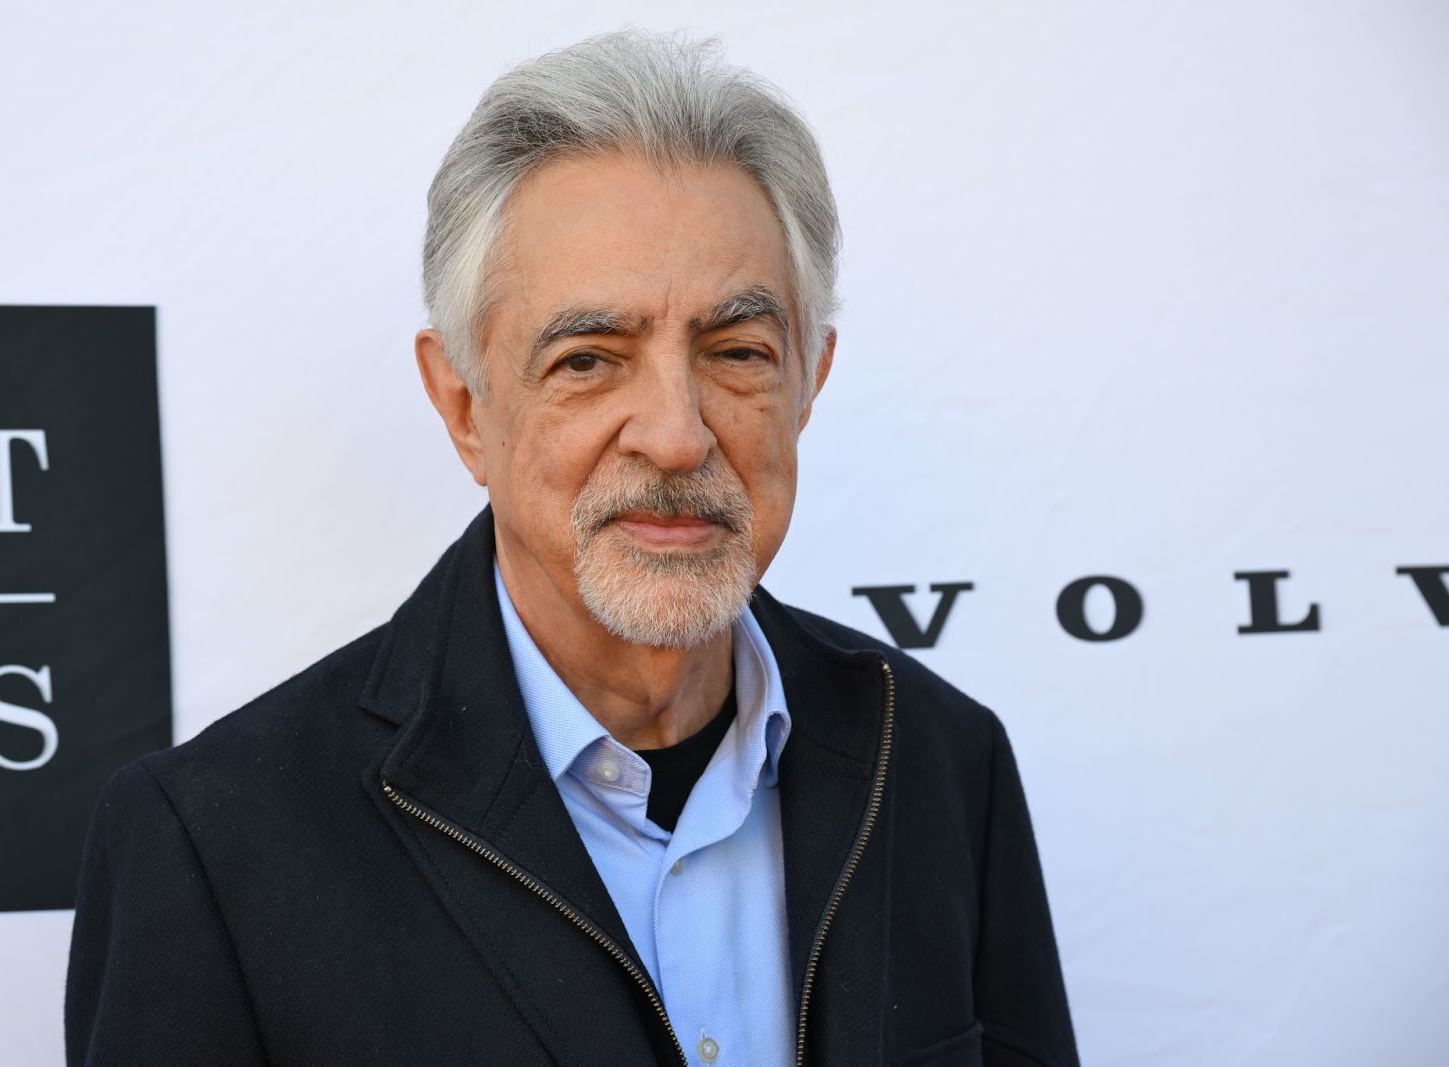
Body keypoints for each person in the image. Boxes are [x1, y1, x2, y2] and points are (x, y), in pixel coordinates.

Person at [66, 30, 1078, 1066]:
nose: (677, 434)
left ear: (808, 381)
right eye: (589, 358)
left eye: (737, 352)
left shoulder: (941, 761)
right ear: (463, 404)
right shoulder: (217, 846)